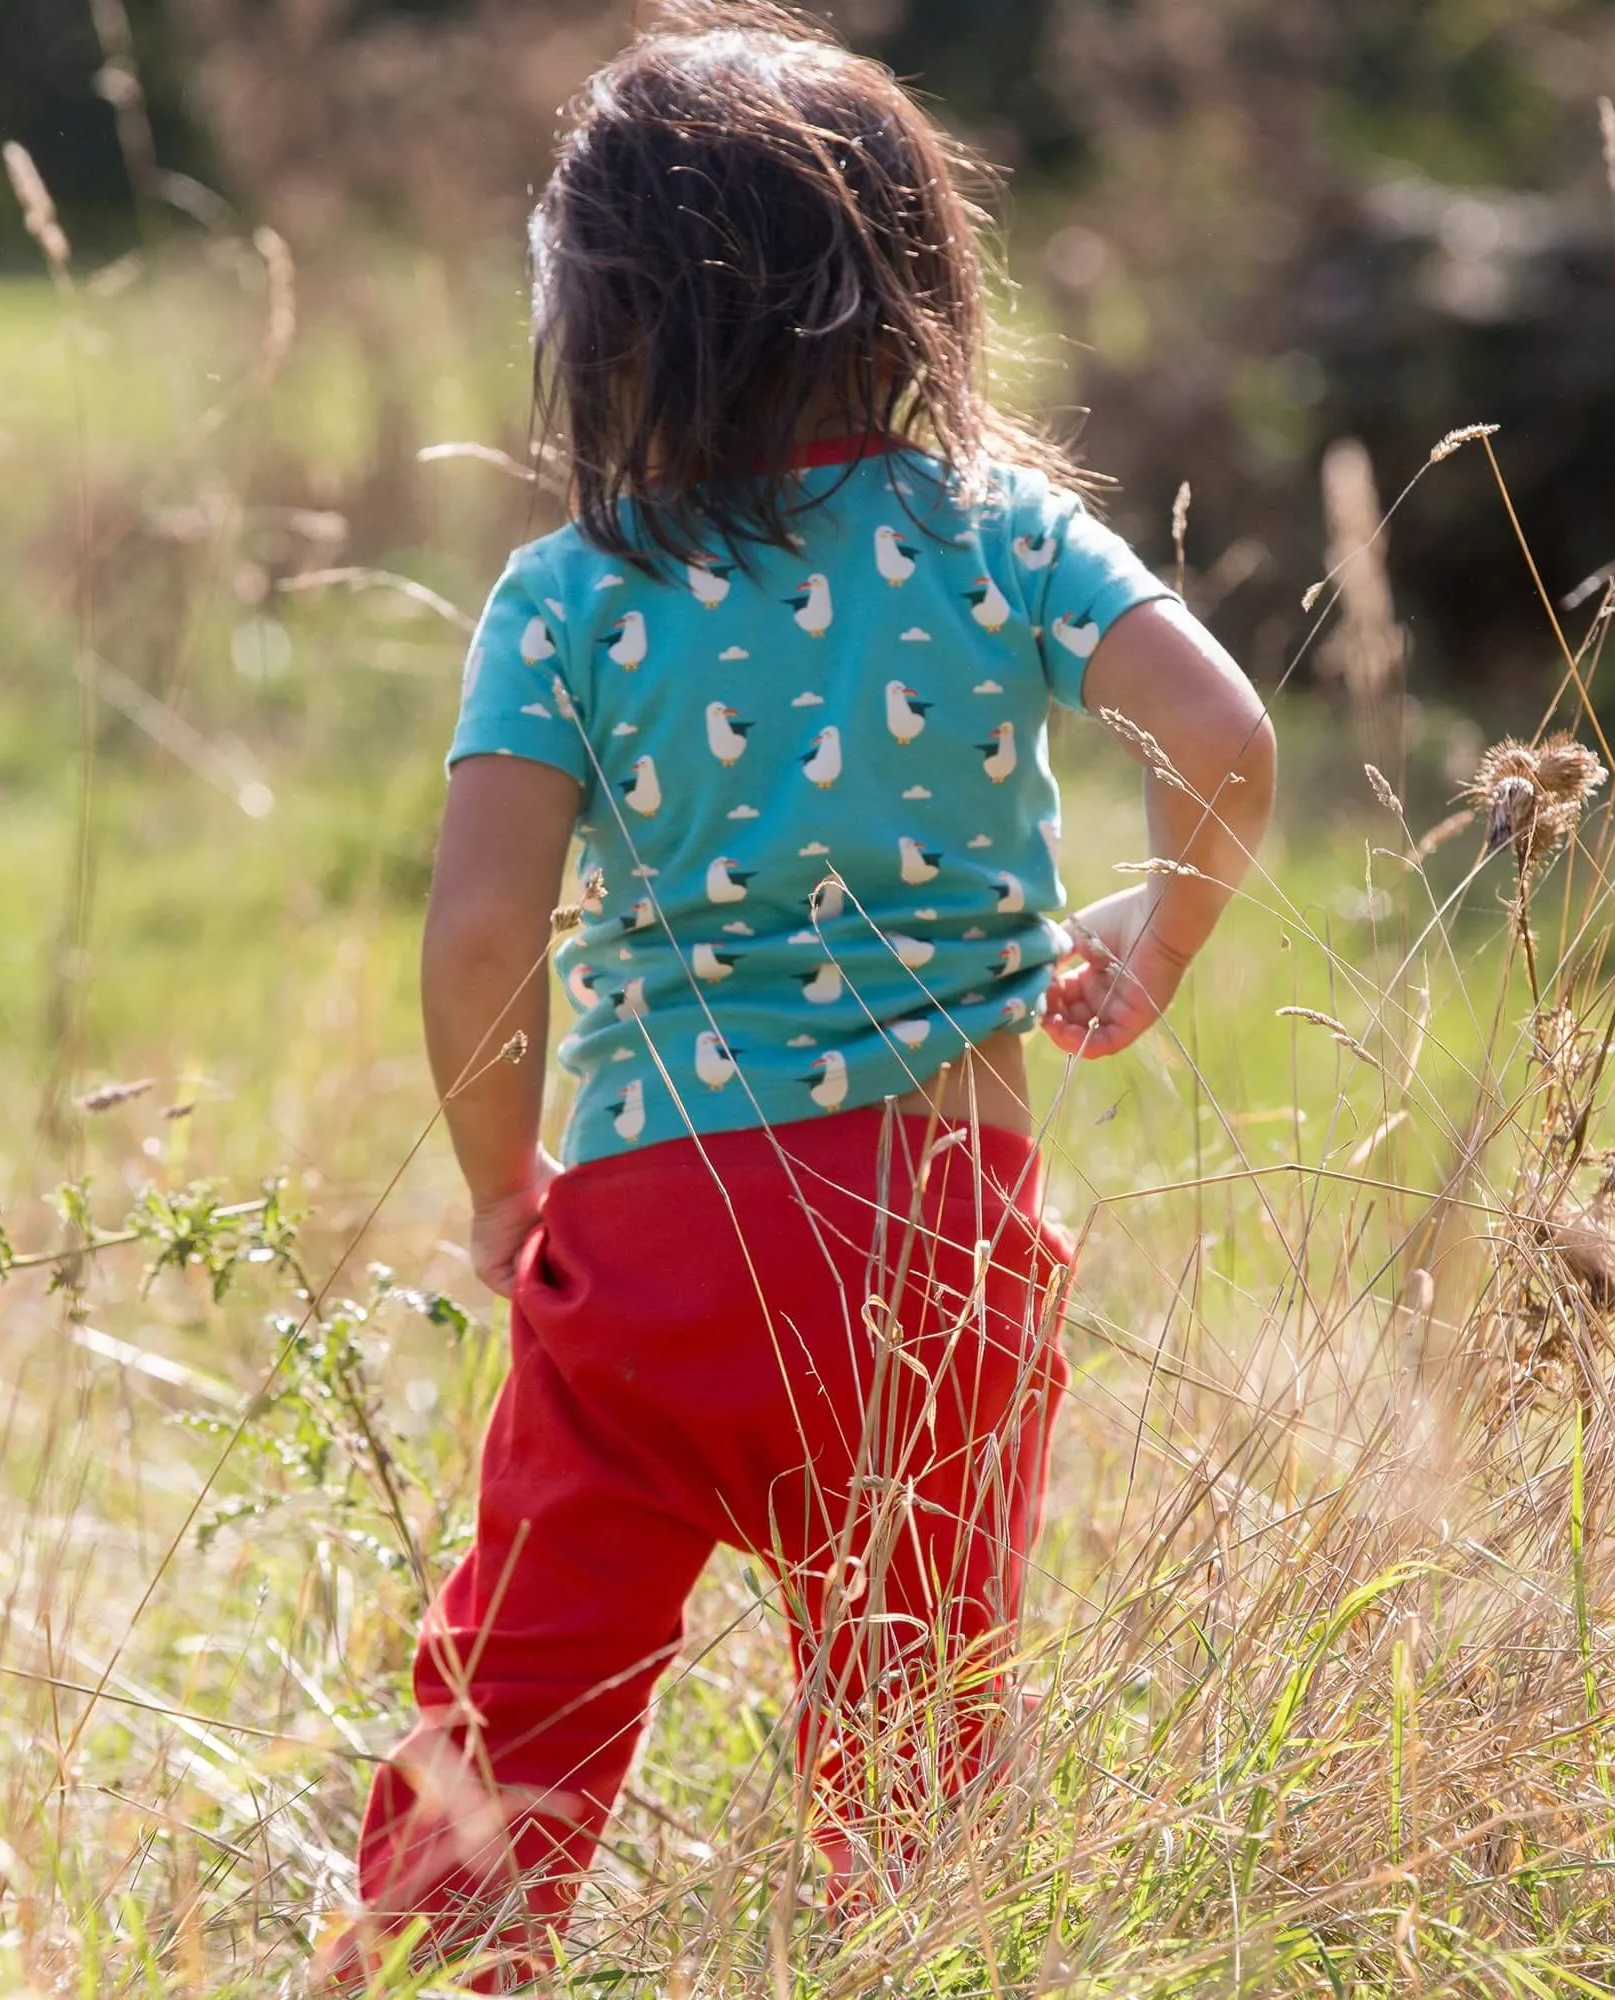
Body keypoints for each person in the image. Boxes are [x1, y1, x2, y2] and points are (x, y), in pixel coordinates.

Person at [321, 4, 1274, 1986]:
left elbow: (483, 932)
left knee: (522, 1705)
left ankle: (428, 1969)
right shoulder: (999, 533)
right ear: (923, 278)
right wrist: (1160, 932)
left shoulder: (572, 592)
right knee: (914, 1745)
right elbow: (1224, 732)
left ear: (605, 326)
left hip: (655, 1235)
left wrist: (507, 1180)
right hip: (935, 1240)